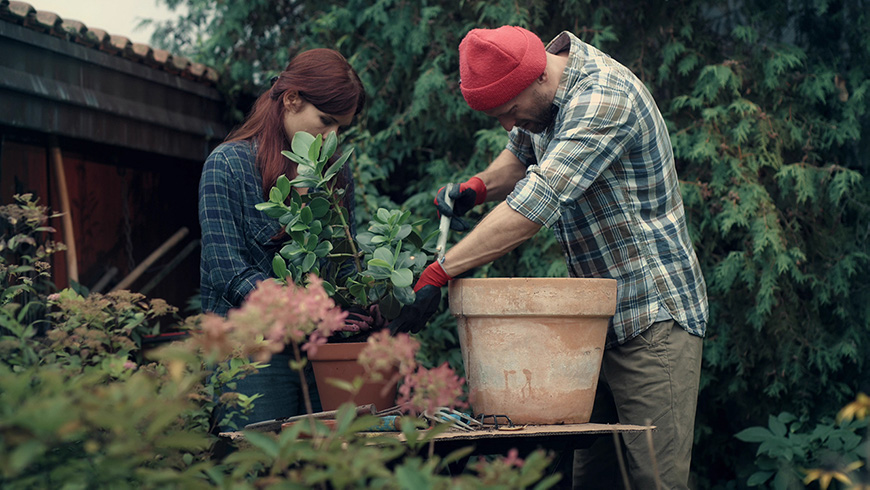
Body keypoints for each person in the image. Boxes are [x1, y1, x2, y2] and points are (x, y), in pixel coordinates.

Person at [390, 26, 707, 489]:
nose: (507, 124)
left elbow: (536, 203)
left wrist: (441, 271)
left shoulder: (602, 98)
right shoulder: (545, 93)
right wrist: (475, 189)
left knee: (654, 481)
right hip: (592, 325)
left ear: (537, 79)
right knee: (592, 480)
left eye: (510, 111)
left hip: (651, 320)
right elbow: (519, 159)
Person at [198, 48, 366, 430]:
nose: (332, 138)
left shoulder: (336, 176)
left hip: (323, 351)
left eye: (341, 128)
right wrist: (302, 309)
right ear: (291, 100)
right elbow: (227, 272)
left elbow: (343, 260)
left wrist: (359, 302)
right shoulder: (227, 166)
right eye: (325, 122)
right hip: (251, 354)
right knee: (261, 470)